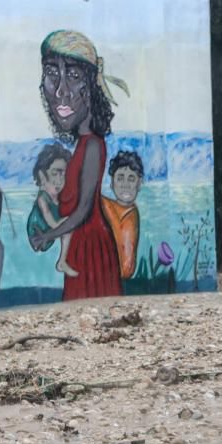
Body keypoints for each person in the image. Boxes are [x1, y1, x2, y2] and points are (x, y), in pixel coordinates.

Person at [30, 30, 129, 301]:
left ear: (92, 88)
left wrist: (48, 235)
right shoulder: (82, 146)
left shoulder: (93, 145)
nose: (61, 89)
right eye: (52, 74)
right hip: (80, 246)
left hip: (91, 247)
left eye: (73, 76)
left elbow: (84, 210)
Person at [27, 143, 78, 277]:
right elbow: (52, 223)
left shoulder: (60, 197)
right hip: (38, 235)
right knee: (69, 227)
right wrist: (69, 223)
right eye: (55, 173)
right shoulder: (43, 199)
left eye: (64, 174)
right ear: (42, 176)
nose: (60, 179)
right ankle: (61, 262)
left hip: (48, 233)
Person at [101, 150, 143, 280]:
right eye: (120, 178)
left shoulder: (131, 214)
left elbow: (126, 268)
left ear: (139, 183)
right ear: (112, 183)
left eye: (131, 179)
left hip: (120, 275)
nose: (125, 185)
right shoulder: (108, 204)